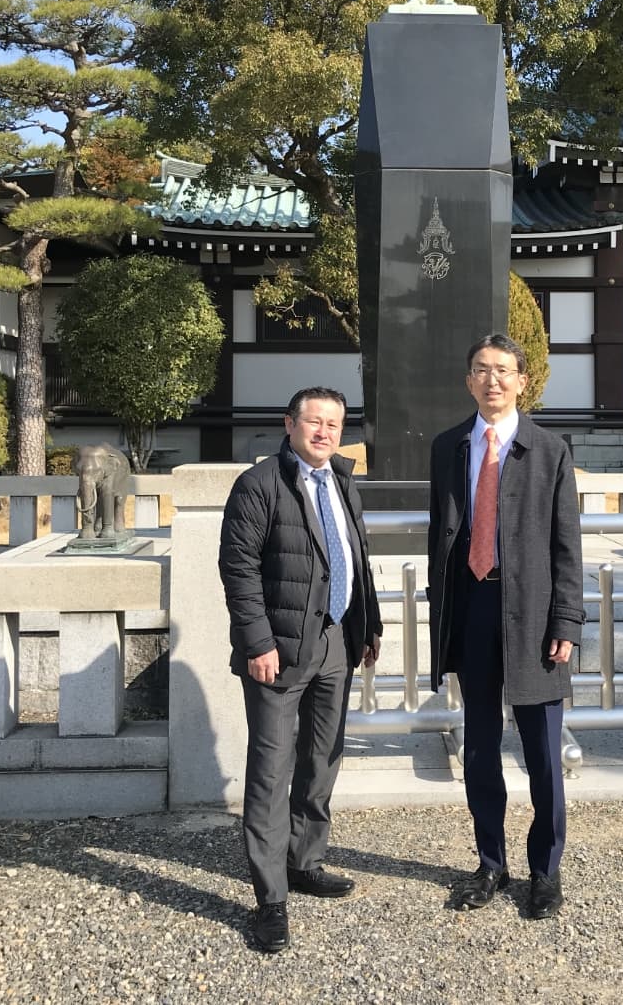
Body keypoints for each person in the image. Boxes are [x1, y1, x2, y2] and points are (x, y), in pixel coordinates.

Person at [219, 387, 382, 954]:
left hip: (335, 643)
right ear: (289, 424)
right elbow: (237, 570)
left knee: (322, 759)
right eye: (313, 421)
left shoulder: (341, 480)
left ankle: (304, 860)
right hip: (279, 653)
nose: (323, 432)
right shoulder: (258, 485)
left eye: (333, 424)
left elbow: (356, 556)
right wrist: (258, 642)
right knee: (271, 772)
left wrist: (369, 628)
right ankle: (270, 899)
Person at [427, 334, 584, 919]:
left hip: (535, 616)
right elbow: (439, 535)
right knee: (480, 745)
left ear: (523, 380)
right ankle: (490, 862)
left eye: (503, 371)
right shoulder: (448, 446)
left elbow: (568, 545)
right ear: (468, 381)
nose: (492, 380)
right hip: (472, 607)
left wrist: (567, 617)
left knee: (543, 750)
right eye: (480, 371)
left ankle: (546, 872)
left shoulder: (549, 450)